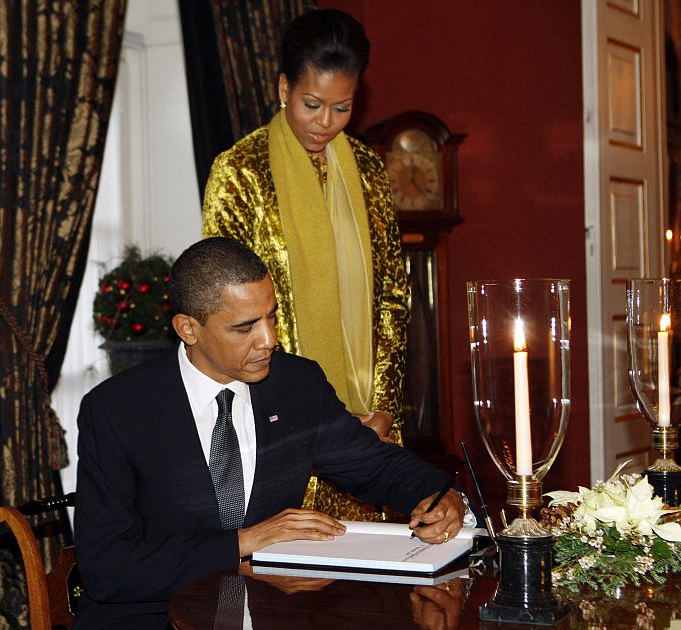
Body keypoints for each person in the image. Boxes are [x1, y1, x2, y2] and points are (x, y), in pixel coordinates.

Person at [74, 238, 470, 628]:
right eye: (245, 327)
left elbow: (376, 465)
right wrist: (245, 541)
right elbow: (109, 569)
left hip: (270, 610)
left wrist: (437, 493)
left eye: (272, 316)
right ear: (188, 329)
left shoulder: (296, 384)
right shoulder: (117, 411)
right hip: (153, 616)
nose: (269, 340)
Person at [202, 8, 409, 522]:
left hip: (369, 426)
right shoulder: (240, 172)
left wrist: (382, 407)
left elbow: (393, 298)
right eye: (311, 104)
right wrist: (304, 417)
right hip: (279, 427)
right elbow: (232, 315)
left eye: (342, 108)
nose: (325, 123)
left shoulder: (367, 170)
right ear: (282, 87)